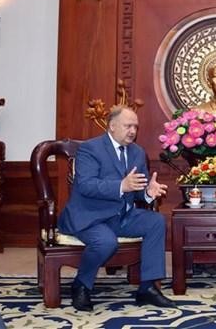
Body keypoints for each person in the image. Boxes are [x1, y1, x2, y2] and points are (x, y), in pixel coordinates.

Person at [58, 105, 176, 311]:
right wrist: (121, 186)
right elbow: (85, 185)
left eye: (136, 127)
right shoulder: (90, 149)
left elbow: (137, 189)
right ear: (112, 126)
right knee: (105, 242)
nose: (133, 131)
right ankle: (81, 285)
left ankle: (147, 288)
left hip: (122, 216)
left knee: (156, 222)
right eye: (128, 126)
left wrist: (148, 192)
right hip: (90, 216)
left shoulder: (137, 152)